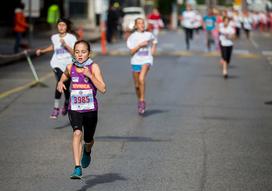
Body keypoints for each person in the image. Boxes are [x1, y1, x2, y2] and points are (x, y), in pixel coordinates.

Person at [57, 40, 106, 179]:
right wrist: (61, 82)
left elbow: (103, 88)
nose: (80, 55)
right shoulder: (70, 66)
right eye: (77, 52)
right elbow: (65, 75)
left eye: (83, 52)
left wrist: (90, 76)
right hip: (75, 108)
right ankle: (77, 167)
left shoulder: (94, 67)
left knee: (89, 140)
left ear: (89, 53)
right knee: (77, 133)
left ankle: (87, 150)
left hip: (90, 110)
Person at [36, 18, 77, 119]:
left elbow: (75, 53)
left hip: (69, 65)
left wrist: (65, 45)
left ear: (67, 26)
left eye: (63, 25)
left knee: (66, 86)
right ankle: (56, 108)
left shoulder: (71, 38)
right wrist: (42, 51)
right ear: (57, 26)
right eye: (59, 25)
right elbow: (53, 47)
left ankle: (67, 101)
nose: (61, 27)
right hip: (56, 63)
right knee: (60, 81)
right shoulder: (54, 37)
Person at [127, 18, 157, 115]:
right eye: (139, 23)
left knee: (141, 79)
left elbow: (154, 41)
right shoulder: (132, 37)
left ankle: (142, 101)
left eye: (143, 23)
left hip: (146, 60)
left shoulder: (148, 34)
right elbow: (131, 52)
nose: (142, 25)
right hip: (135, 61)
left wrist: (152, 50)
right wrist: (139, 46)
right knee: (136, 85)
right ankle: (139, 99)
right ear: (136, 26)